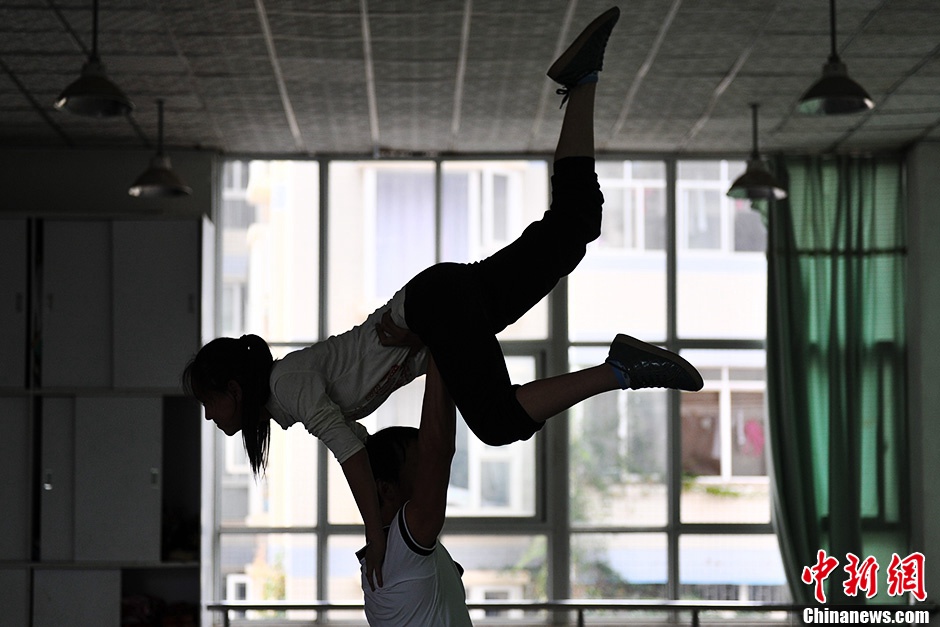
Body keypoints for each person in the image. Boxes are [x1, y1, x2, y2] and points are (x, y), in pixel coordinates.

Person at [182, 5, 702, 592]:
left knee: (499, 421)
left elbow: (352, 450)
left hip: (433, 306)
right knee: (576, 225)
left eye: (209, 402)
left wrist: (379, 540)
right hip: (433, 309)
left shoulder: (287, 387)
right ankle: (582, 83)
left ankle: (621, 368)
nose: (209, 416)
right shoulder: (288, 391)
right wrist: (421, 344)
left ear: (234, 389)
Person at [356, 355, 470, 625]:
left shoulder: (391, 552)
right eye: (420, 468)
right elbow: (439, 451)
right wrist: (440, 341)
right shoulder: (400, 551)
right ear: (386, 489)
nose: (430, 477)